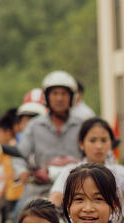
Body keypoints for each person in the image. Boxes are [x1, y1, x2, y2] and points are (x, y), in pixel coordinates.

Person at [49, 117, 124, 216]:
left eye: (104, 140)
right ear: (81, 144)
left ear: (111, 143)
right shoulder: (71, 172)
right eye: (93, 140)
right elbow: (56, 196)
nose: (99, 146)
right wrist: (47, 209)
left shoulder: (119, 172)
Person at [17, 71, 84, 204]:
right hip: (41, 190)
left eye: (64, 94)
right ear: (47, 97)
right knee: (26, 213)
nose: (59, 98)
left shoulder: (82, 125)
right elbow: (19, 155)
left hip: (76, 191)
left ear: (71, 97)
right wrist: (22, 171)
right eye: (55, 93)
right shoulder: (34, 126)